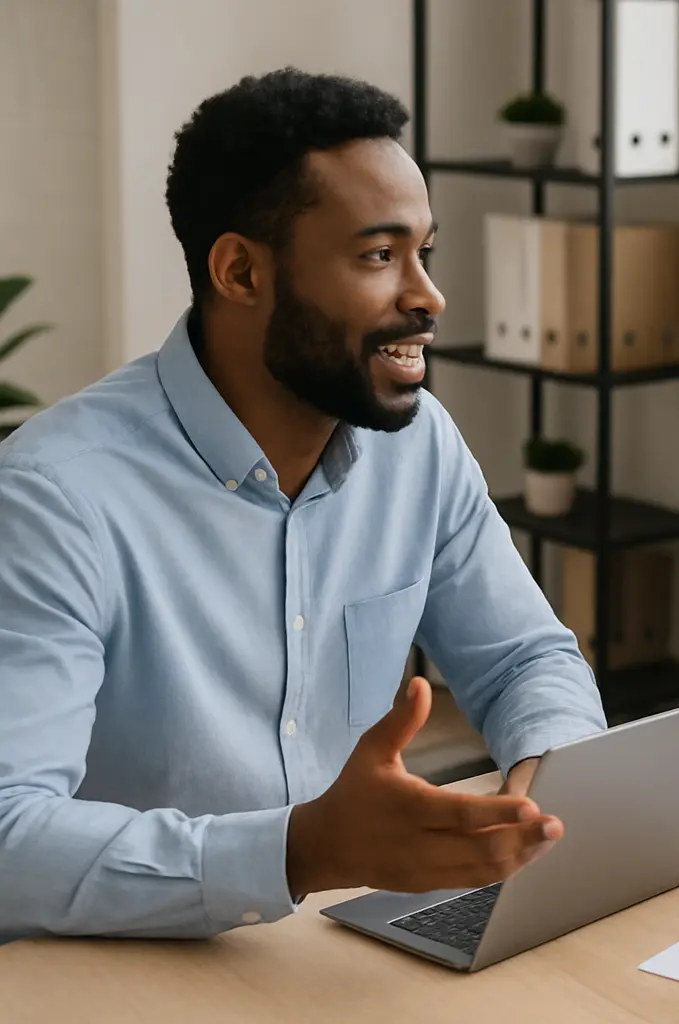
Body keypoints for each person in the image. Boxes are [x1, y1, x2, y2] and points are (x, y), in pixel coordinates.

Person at [0, 69, 606, 943]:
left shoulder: (417, 443)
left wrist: (546, 793)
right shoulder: (53, 499)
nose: (427, 297)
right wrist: (296, 852)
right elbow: (10, 836)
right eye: (377, 255)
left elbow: (524, 661)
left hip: (329, 949)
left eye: (424, 253)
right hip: (126, 971)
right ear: (241, 270)